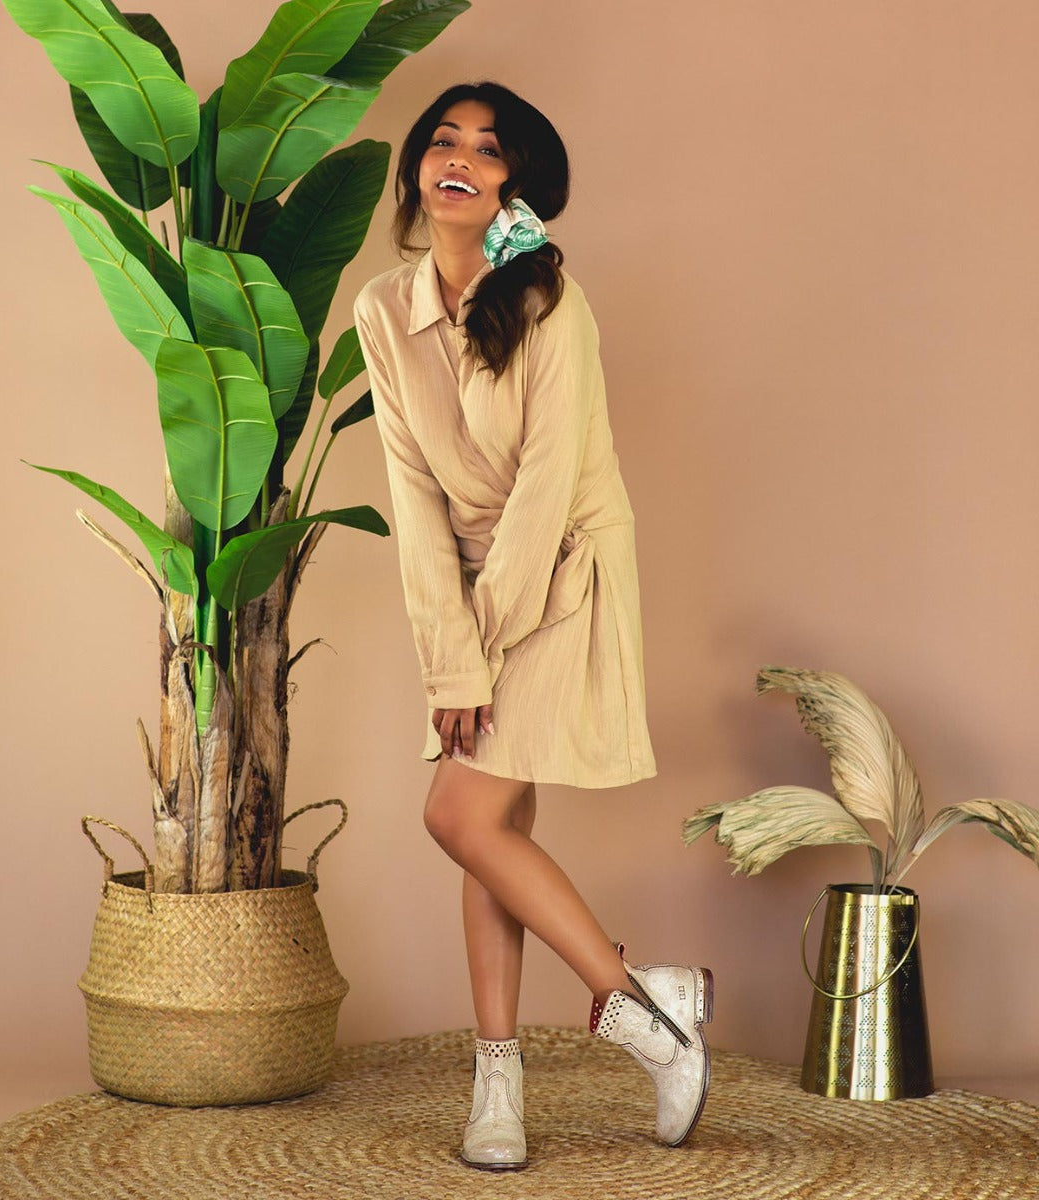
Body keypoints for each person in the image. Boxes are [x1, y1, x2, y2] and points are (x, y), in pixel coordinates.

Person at [353, 81, 714, 1171]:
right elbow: (414, 499)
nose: (458, 158)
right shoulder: (382, 310)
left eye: (488, 147)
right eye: (442, 140)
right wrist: (449, 654)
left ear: (515, 181)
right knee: (493, 830)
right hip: (472, 584)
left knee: (459, 815)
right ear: (418, 168)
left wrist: (481, 648)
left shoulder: (553, 301)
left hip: (564, 569)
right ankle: (499, 1082)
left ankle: (640, 1016)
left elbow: (549, 490)